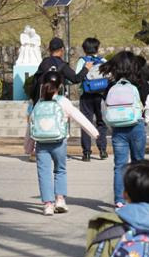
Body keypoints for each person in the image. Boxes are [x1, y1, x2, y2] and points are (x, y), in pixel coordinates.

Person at [32, 71, 99, 216]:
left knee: (44, 173)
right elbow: (79, 117)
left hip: (41, 143)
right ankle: (60, 200)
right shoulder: (63, 101)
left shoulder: (39, 102)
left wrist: (28, 146)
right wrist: (94, 133)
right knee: (60, 170)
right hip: (59, 142)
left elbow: (31, 125)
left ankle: (48, 205)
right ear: (60, 85)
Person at [102, 52, 149, 208]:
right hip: (137, 126)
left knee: (120, 165)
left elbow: (104, 110)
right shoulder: (142, 84)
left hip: (118, 130)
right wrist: (146, 120)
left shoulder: (111, 86)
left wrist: (112, 124)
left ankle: (119, 200)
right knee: (138, 163)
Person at [75, 38, 109, 162]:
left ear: (84, 49)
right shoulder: (103, 61)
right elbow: (109, 75)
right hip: (100, 95)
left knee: (86, 123)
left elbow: (77, 77)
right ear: (97, 48)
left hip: (86, 95)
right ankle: (103, 150)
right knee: (101, 122)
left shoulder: (82, 61)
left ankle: (87, 153)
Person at [30, 37, 91, 104]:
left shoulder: (44, 63)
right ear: (62, 49)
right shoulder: (62, 65)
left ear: (50, 50)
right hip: (56, 102)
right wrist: (86, 68)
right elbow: (76, 78)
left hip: (41, 102)